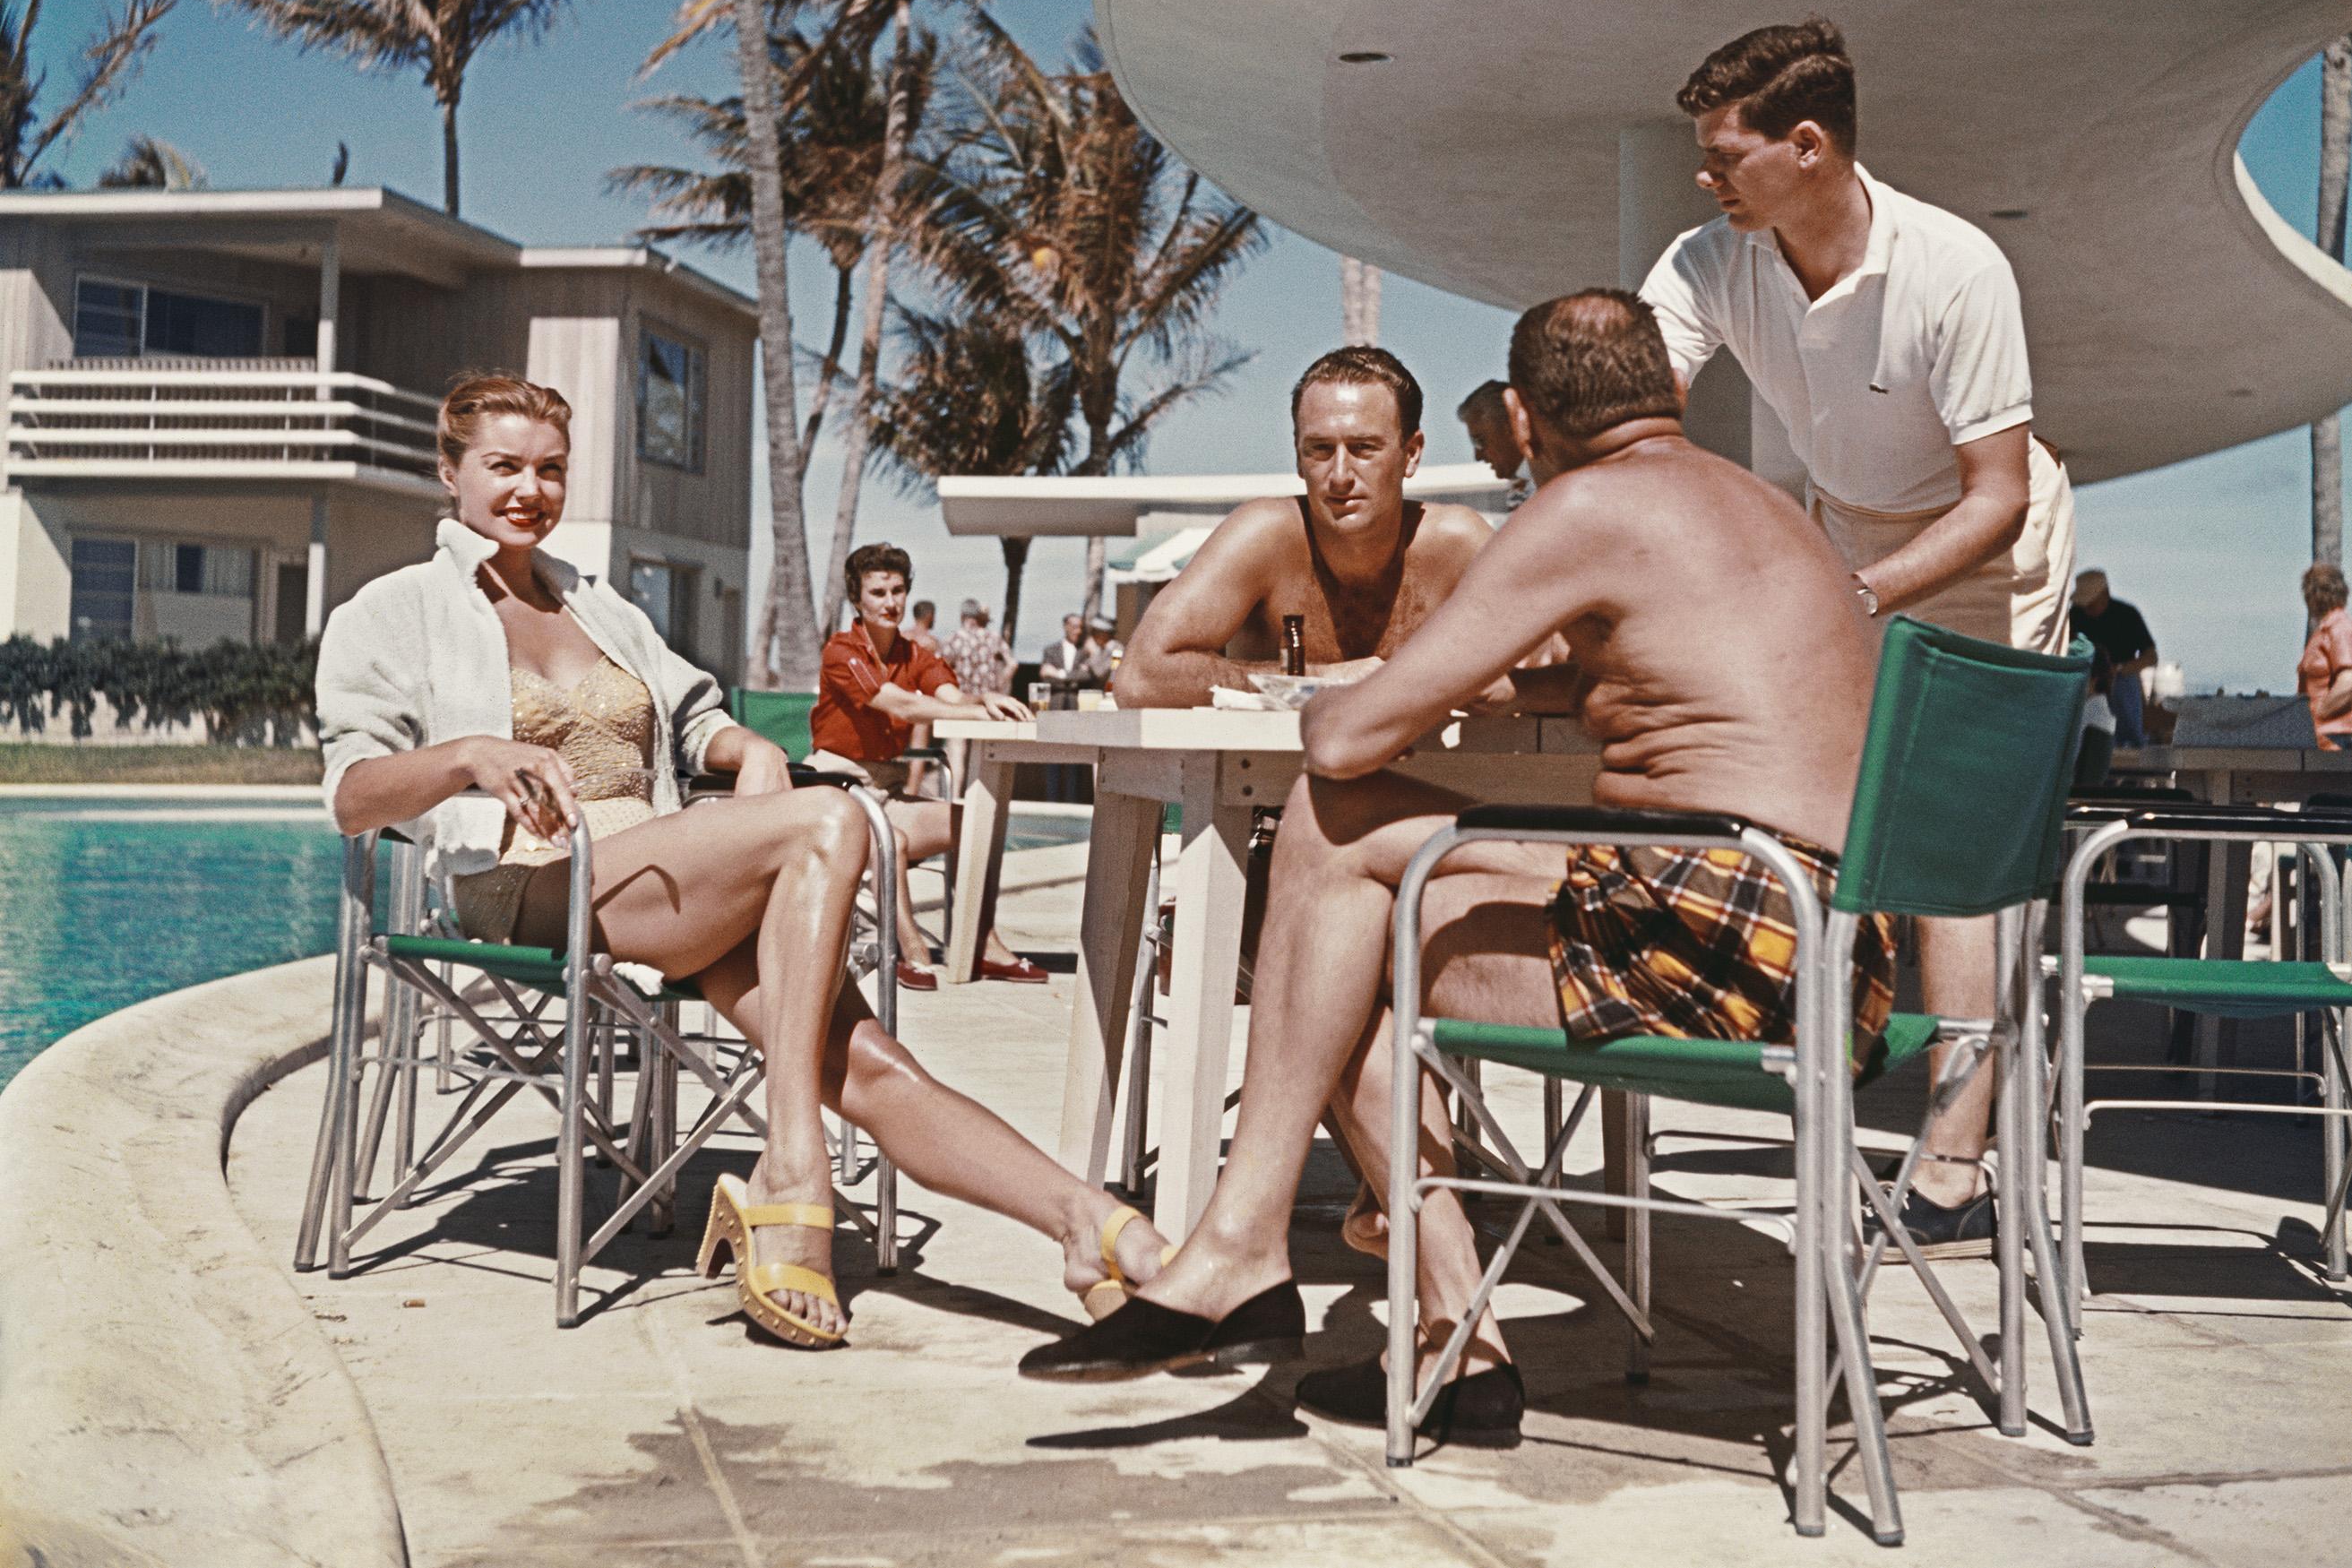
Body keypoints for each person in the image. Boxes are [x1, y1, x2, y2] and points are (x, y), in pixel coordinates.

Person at [1020, 293, 1893, 1435]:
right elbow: (1645, 684)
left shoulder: (1579, 510)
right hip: (1841, 949)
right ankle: (1455, 1340)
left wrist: (1379, 681)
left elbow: (1340, 742)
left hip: (1719, 953)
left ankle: (1244, 1247)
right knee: (1337, 955)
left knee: (1333, 843)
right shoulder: (1766, 509)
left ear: (1522, 422)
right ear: (1672, 395)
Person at [318, 373, 1165, 1352]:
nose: (529, 491)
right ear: (449, 470)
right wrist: (472, 754)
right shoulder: (397, 610)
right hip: (533, 883)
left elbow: (694, 719)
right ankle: (795, 1163)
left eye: (550, 470)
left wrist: (745, 751)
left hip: (665, 883)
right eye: (502, 467)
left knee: (875, 1066)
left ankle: (1091, 1226)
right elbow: (350, 794)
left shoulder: (596, 606)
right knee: (831, 819)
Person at [1637, 16, 2075, 1256]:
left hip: (1989, 542)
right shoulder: (1712, 258)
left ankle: (1953, 1162)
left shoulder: (1956, 268)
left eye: (1725, 153)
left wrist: (1864, 593)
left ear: (1809, 147)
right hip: (1845, 529)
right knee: (1809, 800)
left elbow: (1993, 495)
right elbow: (1634, 412)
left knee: (1947, 844)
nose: (1705, 176)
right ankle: (1824, 1053)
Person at [1114, 346, 1494, 707]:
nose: (1340, 475)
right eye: (1320, 450)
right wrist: (1326, 679)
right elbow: (1139, 678)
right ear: (1298, 457)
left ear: (1410, 454)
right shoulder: (1265, 536)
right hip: (1274, 773)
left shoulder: (1456, 544)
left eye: (1363, 448)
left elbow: (1549, 669)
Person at [811, 545, 1047, 986]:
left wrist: (984, 700)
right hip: (838, 786)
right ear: (857, 599)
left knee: (974, 823)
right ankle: (906, 947)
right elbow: (896, 702)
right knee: (892, 841)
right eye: (878, 592)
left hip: (886, 788)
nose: (891, 602)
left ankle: (981, 941)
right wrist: (975, 711)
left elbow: (949, 697)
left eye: (898, 590)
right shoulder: (842, 651)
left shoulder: (915, 654)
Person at [2069, 570, 2157, 747]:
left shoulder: (2127, 615)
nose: (2087, 608)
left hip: (2122, 680)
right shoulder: (2076, 615)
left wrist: (2120, 669)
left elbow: (2151, 657)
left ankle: (2130, 747)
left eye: (2091, 604)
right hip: (2085, 679)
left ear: (2105, 595)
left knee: (2125, 690)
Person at [2298, 564, 2352, 748]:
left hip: (2335, 741)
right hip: (2320, 741)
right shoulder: (2325, 630)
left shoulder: (2338, 629)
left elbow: (2349, 682)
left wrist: (2318, 713)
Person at [1456, 380, 1530, 506]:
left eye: (1479, 440)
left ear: (1511, 428)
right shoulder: (1523, 486)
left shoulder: (1549, 486)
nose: (1478, 456)